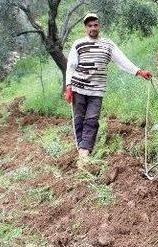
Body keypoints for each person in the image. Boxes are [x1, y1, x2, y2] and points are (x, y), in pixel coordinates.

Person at [63, 12, 152, 165]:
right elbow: (71, 66)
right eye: (90, 26)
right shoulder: (78, 44)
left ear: (99, 26)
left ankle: (84, 152)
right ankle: (82, 151)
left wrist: (138, 72)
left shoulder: (108, 45)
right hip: (78, 88)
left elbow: (122, 61)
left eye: (95, 25)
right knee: (78, 120)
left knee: (92, 120)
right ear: (86, 28)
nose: (93, 28)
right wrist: (69, 86)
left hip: (97, 90)